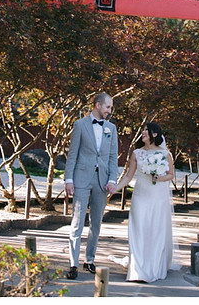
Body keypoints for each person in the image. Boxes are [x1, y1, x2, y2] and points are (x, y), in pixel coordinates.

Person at [63, 92, 119, 280]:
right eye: (107, 107)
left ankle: (89, 259)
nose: (110, 111)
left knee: (96, 222)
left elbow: (113, 157)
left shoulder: (111, 128)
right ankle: (73, 264)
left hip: (102, 181)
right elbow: (73, 154)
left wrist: (112, 180)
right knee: (77, 221)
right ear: (97, 105)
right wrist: (68, 179)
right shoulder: (80, 125)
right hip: (81, 178)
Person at [112, 122, 176, 283]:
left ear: (155, 134)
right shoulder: (136, 153)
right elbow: (128, 176)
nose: (143, 132)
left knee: (155, 231)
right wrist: (115, 187)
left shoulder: (165, 154)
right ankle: (137, 270)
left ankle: (154, 267)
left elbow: (171, 175)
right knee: (138, 229)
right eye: (143, 130)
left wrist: (159, 177)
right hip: (140, 196)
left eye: (147, 130)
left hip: (158, 197)